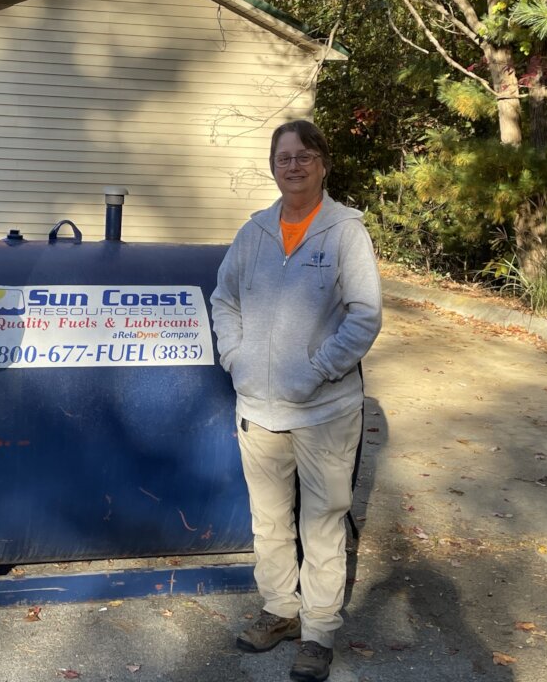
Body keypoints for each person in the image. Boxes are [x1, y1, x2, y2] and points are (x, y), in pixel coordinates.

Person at [210, 119, 382, 682]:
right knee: (269, 520)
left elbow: (364, 315)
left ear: (323, 164)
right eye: (284, 157)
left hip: (325, 411)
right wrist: (234, 356)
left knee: (324, 523)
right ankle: (281, 610)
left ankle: (319, 630)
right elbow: (223, 299)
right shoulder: (254, 232)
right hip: (258, 408)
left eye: (305, 155)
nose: (294, 165)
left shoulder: (345, 232)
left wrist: (317, 371)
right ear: (273, 166)